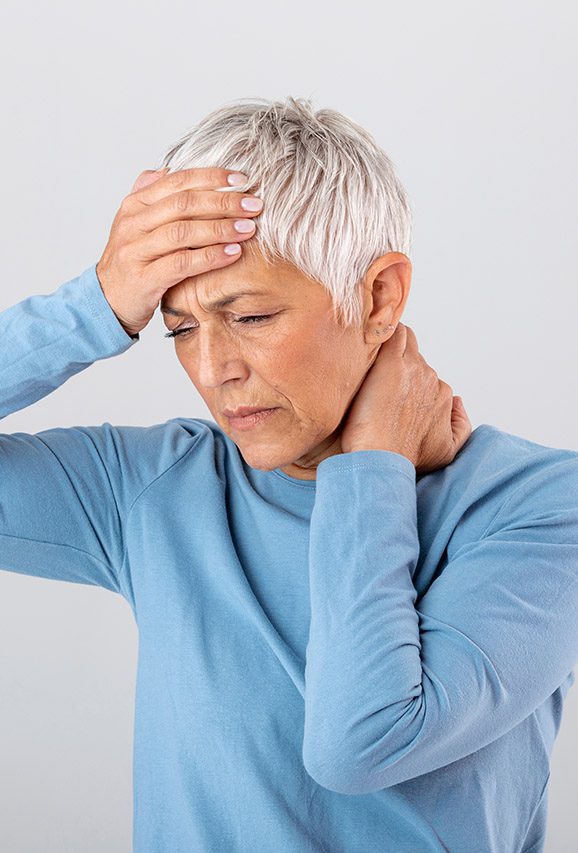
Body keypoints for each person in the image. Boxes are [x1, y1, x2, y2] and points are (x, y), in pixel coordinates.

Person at [1, 96, 577, 853]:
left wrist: (370, 467)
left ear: (379, 297)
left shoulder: (540, 507)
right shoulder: (152, 488)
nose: (212, 369)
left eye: (250, 317)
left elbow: (359, 739)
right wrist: (96, 303)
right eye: (178, 327)